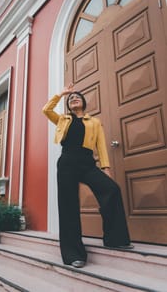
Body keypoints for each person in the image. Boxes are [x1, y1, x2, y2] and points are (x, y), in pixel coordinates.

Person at [42, 83, 133, 269]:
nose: (74, 98)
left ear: (84, 103)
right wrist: (61, 94)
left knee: (112, 189)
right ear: (69, 105)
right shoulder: (62, 119)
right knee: (68, 206)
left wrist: (106, 167)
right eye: (71, 98)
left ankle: (115, 239)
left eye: (77, 97)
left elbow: (101, 146)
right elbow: (46, 109)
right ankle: (73, 254)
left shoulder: (94, 122)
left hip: (87, 163)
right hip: (67, 162)